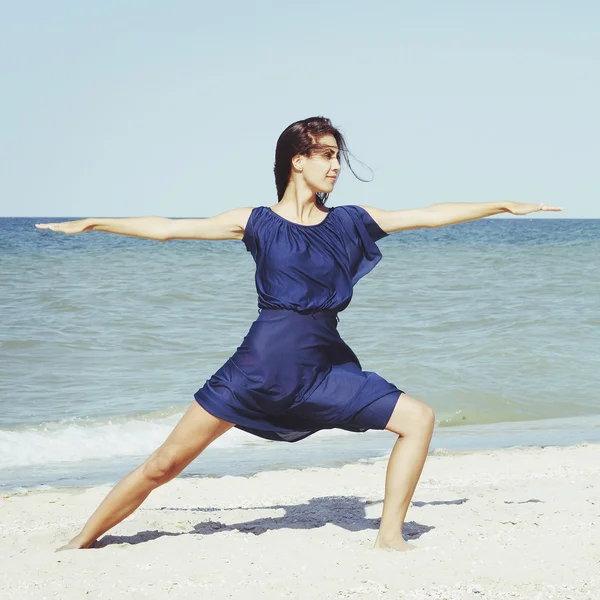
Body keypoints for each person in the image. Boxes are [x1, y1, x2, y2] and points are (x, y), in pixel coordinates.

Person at [36, 116, 562, 552]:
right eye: (327, 155)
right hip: (258, 366)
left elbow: (427, 216)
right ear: (298, 161)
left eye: (338, 156)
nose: (336, 166)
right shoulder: (257, 221)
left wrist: (500, 205)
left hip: (322, 367)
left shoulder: (351, 221)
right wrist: (95, 223)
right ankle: (82, 539)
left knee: (418, 419)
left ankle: (389, 536)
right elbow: (169, 227)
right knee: (165, 463)